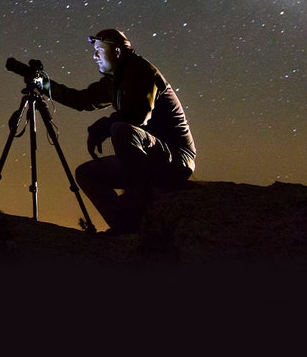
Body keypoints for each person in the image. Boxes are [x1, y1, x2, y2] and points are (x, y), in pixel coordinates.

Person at [34, 28, 196, 234]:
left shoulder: (143, 71)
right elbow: (82, 100)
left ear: (117, 52)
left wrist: (104, 125)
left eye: (99, 50)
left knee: (122, 129)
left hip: (175, 158)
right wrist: (44, 84)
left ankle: (139, 204)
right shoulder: (115, 81)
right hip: (147, 158)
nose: (94, 56)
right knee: (86, 174)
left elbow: (138, 117)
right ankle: (126, 225)